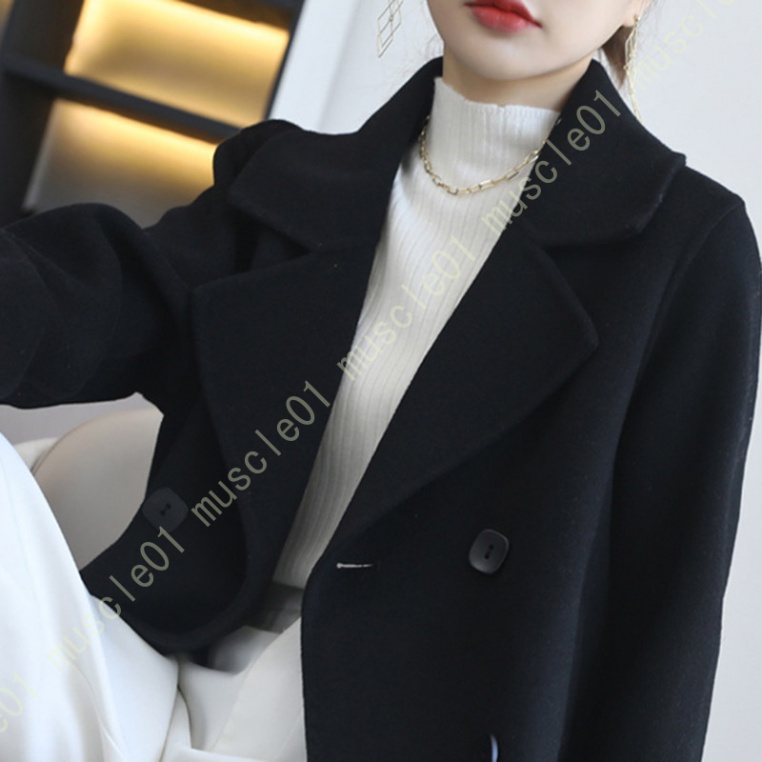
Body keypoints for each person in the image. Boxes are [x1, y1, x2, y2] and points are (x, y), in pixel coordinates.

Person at [1, 0, 760, 759]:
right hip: (148, 687)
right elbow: (86, 301)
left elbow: (664, 627)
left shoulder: (683, 253)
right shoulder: (287, 179)